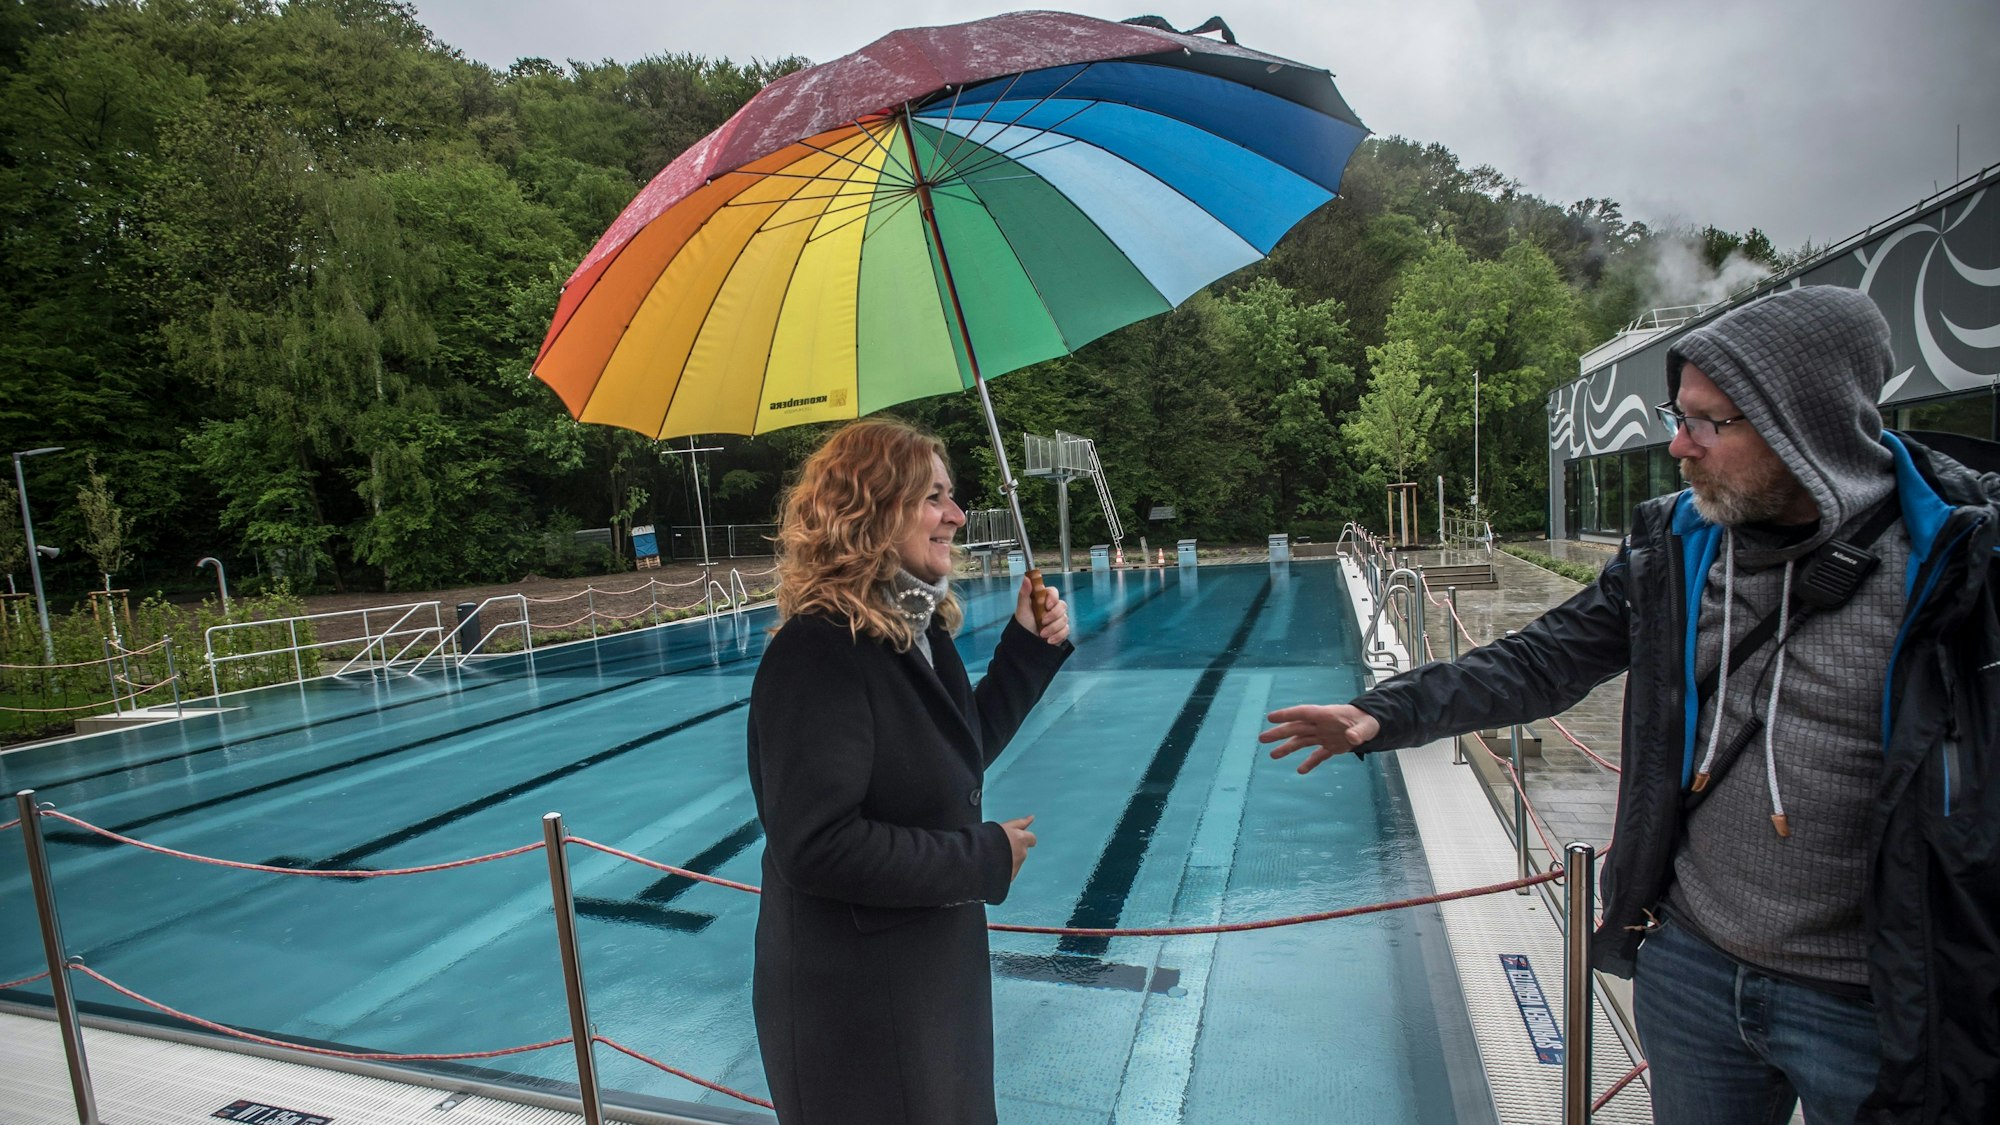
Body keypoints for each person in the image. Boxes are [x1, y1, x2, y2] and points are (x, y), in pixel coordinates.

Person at [1259, 286, 1999, 1124]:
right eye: (1674, 414)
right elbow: (1541, 660)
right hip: (1693, 970)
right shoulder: (1677, 546)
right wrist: (1381, 713)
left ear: (1808, 425)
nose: (1676, 445)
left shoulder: (1959, 566)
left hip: (1878, 999)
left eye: (1708, 423)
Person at [747, 418, 1072, 1125]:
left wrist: (1026, 649)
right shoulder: (817, 653)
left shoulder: (917, 633)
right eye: (934, 497)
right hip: (857, 1011)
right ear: (871, 511)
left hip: (924, 988)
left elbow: (953, 754)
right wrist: (981, 856)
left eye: (950, 497)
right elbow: (818, 844)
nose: (956, 515)